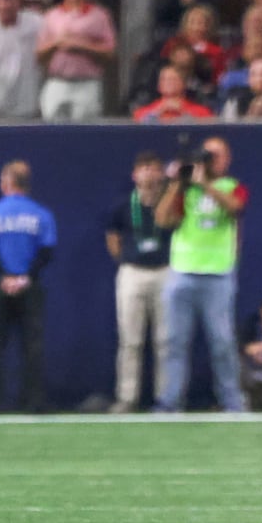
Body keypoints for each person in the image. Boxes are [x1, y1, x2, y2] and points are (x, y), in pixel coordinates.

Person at [154, 135, 247, 413]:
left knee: (222, 341)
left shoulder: (233, 186)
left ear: (226, 159)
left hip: (217, 274)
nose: (211, 160)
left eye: (217, 155)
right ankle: (171, 400)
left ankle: (232, 401)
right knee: (174, 342)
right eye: (208, 155)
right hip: (183, 272)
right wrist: (175, 185)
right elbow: (163, 220)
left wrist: (205, 184)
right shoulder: (186, 190)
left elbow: (235, 208)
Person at [0, 160, 56, 413]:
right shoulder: (41, 213)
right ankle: (32, 401)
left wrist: (4, 277)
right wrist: (24, 277)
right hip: (29, 284)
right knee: (31, 346)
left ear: (6, 183)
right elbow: (46, 251)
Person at [104, 152, 170, 414]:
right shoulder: (122, 206)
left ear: (162, 173)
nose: (148, 173)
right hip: (132, 272)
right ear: (135, 175)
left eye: (154, 168)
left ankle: (166, 399)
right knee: (130, 340)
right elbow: (113, 240)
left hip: (166, 272)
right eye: (143, 168)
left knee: (165, 341)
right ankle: (127, 397)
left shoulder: (171, 204)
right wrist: (127, 261)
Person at [36, 0, 115, 120]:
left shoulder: (99, 16)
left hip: (87, 83)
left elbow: (110, 53)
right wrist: (57, 43)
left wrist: (81, 45)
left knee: (85, 130)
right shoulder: (52, 16)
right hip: (57, 81)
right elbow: (39, 55)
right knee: (52, 128)